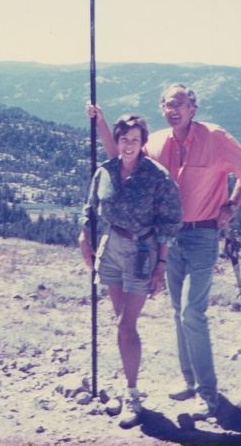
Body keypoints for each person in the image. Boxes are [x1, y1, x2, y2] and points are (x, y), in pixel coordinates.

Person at [87, 83, 241, 421]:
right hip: (165, 239)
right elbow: (122, 154)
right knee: (177, 312)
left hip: (201, 234)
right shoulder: (157, 141)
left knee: (191, 313)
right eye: (168, 104)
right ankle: (190, 381)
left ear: (193, 107)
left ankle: (207, 395)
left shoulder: (215, 137)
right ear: (162, 108)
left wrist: (233, 203)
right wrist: (101, 123)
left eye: (180, 103)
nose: (174, 109)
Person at [79, 114, 182, 428]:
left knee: (126, 325)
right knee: (120, 322)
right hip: (112, 249)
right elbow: (91, 206)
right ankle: (130, 381)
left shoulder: (158, 177)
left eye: (135, 139)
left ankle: (132, 395)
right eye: (123, 138)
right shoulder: (106, 172)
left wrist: (161, 265)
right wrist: (85, 234)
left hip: (142, 252)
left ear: (143, 142)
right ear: (118, 140)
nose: (128, 145)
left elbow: (169, 222)